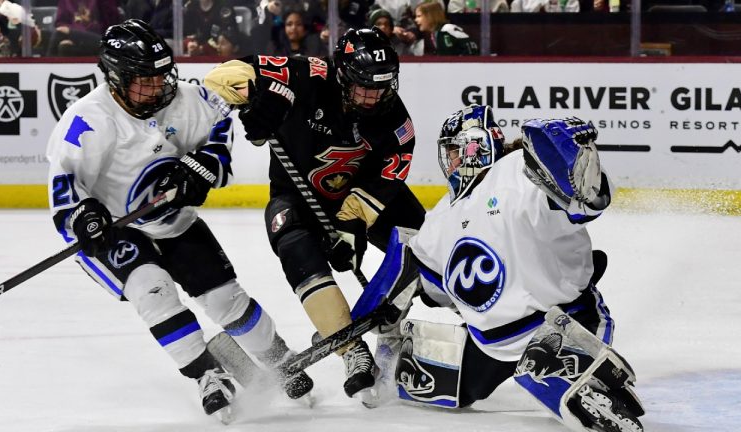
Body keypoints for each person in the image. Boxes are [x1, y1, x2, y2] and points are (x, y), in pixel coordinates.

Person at [45, 19, 313, 419]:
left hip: (176, 222)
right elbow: (64, 186)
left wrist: (204, 165)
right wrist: (84, 217)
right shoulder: (88, 119)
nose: (158, 86)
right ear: (116, 79)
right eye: (144, 80)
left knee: (226, 299)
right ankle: (207, 374)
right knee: (153, 291)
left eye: (161, 75)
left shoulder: (186, 100)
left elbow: (219, 127)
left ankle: (279, 357)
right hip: (117, 229)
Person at [362, 105, 645, 431]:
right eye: (449, 152)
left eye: (457, 150)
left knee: (555, 375)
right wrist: (386, 312)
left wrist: (573, 161)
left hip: (562, 318)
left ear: (478, 146)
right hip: (491, 344)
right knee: (421, 381)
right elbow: (422, 273)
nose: (453, 160)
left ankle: (585, 381)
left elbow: (584, 203)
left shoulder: (520, 172)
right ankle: (396, 360)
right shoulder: (441, 217)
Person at [203, 27, 426, 399]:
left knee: (422, 245)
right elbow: (221, 76)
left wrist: (349, 230)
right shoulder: (307, 74)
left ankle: (392, 325)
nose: (372, 97)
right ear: (341, 75)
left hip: (357, 200)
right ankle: (351, 348)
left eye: (381, 87)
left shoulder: (398, 127)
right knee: (295, 248)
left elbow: (379, 188)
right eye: (362, 87)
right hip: (296, 198)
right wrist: (256, 101)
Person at [46, 0, 120, 56]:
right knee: (63, 44)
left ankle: (45, 71)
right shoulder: (66, 1)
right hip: (73, 36)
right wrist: (75, 35)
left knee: (61, 35)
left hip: (101, 40)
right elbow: (60, 23)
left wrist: (73, 32)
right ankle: (47, 71)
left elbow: (111, 26)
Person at [413, 1, 478, 55]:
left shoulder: (447, 29)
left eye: (419, 16)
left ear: (430, 16)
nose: (416, 20)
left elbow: (471, 48)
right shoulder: (435, 33)